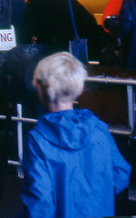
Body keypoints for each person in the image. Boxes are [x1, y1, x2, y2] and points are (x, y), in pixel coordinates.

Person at [20, 51, 130, 217]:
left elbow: (39, 202)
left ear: (39, 89)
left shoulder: (38, 140)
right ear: (80, 91)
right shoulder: (98, 129)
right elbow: (121, 173)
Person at [21, 0, 110, 58]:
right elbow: (92, 27)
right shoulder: (70, 1)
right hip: (72, 57)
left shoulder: (34, 6)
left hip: (48, 59)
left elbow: (24, 37)